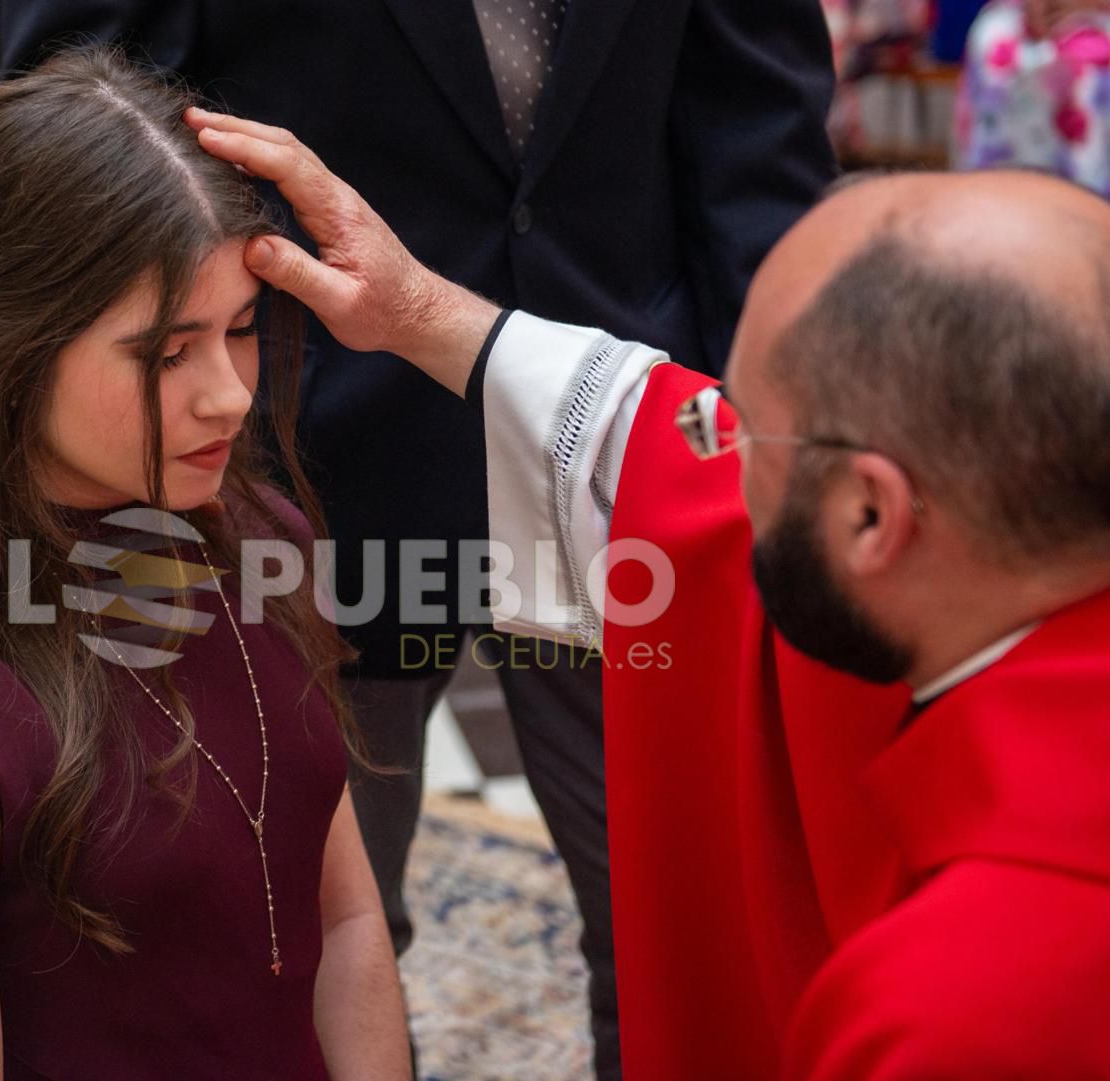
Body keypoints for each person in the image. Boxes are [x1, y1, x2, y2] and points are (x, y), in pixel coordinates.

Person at [186, 110, 1110, 1080]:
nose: (702, 454)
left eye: (739, 429)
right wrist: (417, 313)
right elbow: (661, 442)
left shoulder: (967, 1011)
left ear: (872, 517)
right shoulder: (1009, 545)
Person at [0, 6, 838, 1073]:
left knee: (688, 921)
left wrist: (757, 440)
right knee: (306, 931)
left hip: (625, 438)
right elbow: (86, 121)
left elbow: (753, 128)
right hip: (298, 451)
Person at [0, 51, 410, 1081]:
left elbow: (343, 923)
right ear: (13, 354)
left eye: (243, 332)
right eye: (166, 354)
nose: (227, 396)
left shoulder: (267, 540)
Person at [955, 0, 1110, 194]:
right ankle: (994, 190)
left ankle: (1091, 198)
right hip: (1021, 19)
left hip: (1095, 16)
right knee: (993, 42)